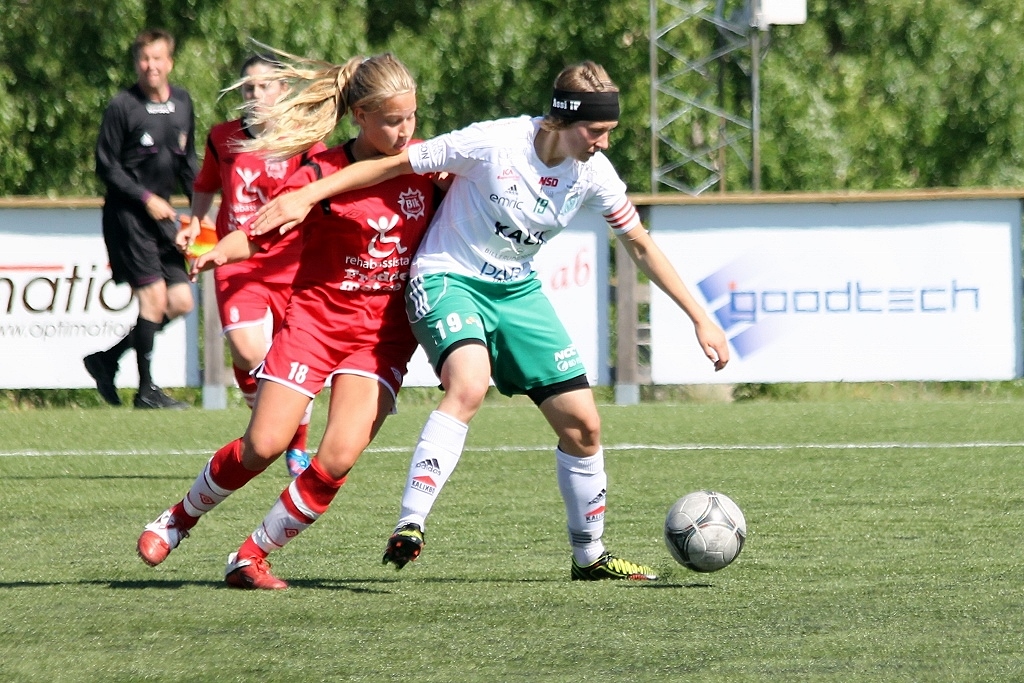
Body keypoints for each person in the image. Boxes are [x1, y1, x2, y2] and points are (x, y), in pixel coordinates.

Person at [251, 60, 731, 581]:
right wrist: (306, 194)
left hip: (516, 291)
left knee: (584, 426)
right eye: (596, 131)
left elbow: (639, 244)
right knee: (470, 383)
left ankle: (590, 557)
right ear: (563, 120)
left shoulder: (593, 172)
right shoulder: (494, 143)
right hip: (447, 277)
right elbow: (393, 165)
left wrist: (699, 318)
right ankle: (411, 522)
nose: (604, 143)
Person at [136, 51, 445, 590]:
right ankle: (177, 519)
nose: (405, 131)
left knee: (338, 457)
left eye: (411, 117)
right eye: (393, 120)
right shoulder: (319, 173)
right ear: (360, 116)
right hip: (316, 325)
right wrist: (218, 252)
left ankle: (251, 557)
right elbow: (258, 233)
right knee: (263, 445)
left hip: (381, 338)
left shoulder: (429, 166)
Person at [176, 53, 326, 477]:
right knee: (247, 352)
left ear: (282, 90)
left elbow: (325, 185)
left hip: (293, 263)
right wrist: (197, 223)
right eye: (248, 88)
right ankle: (268, 425)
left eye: (264, 86)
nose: (255, 94)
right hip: (237, 260)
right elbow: (205, 184)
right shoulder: (222, 137)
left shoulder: (303, 140)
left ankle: (296, 443)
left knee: (290, 362)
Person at [86, 28, 198, 410]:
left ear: (170, 62)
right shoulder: (123, 106)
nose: (151, 65)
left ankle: (107, 358)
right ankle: (146, 391)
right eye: (144, 58)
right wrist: (146, 198)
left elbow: (188, 163)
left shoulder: (182, 102)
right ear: (137, 63)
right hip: (129, 217)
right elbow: (106, 166)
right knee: (153, 299)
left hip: (163, 219)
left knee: (180, 301)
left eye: (158, 58)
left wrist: (200, 210)